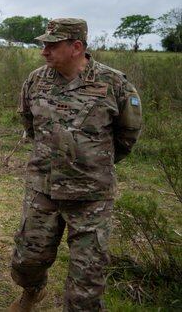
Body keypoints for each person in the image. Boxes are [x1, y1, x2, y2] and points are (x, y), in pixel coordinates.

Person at [8, 19, 142, 312]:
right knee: (27, 261)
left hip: (91, 196)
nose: (44, 51)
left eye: (52, 45)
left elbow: (128, 134)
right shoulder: (35, 80)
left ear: (77, 47)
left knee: (87, 283)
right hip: (43, 189)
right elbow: (29, 123)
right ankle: (33, 290)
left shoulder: (114, 84)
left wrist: (93, 162)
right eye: (43, 44)